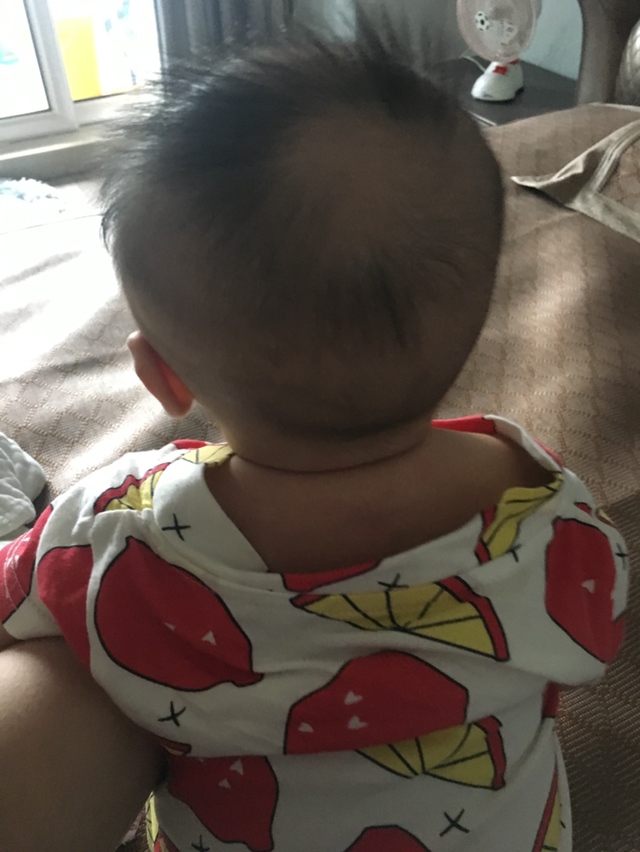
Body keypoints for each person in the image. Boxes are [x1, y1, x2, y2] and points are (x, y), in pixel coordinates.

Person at [0, 27, 628, 852]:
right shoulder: (549, 509)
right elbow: (596, 628)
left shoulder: (116, 532)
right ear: (479, 333)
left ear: (162, 378)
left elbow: (15, 607)